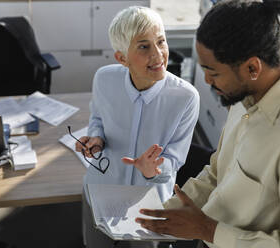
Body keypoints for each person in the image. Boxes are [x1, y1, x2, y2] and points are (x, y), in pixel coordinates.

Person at [135, 0, 280, 247]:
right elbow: (218, 171)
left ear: (252, 67)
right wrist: (162, 215)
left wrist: (208, 230)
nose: (207, 80)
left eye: (214, 72)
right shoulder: (245, 96)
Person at [75, 6, 200, 248]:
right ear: (122, 58)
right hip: (101, 191)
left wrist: (152, 170)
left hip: (149, 202)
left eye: (161, 41)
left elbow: (175, 159)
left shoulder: (186, 97)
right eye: (144, 46)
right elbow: (98, 118)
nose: (158, 54)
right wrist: (96, 139)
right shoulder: (104, 78)